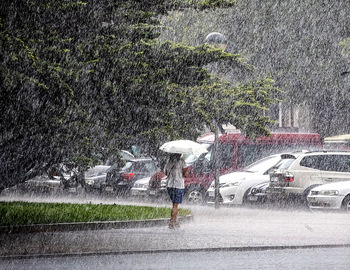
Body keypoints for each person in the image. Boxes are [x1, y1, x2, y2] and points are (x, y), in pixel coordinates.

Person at [164, 153, 186, 229]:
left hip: (169, 185)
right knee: (175, 205)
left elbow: (166, 173)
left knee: (174, 204)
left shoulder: (168, 162)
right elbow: (185, 174)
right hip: (179, 185)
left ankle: (176, 222)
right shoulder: (182, 161)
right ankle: (171, 222)